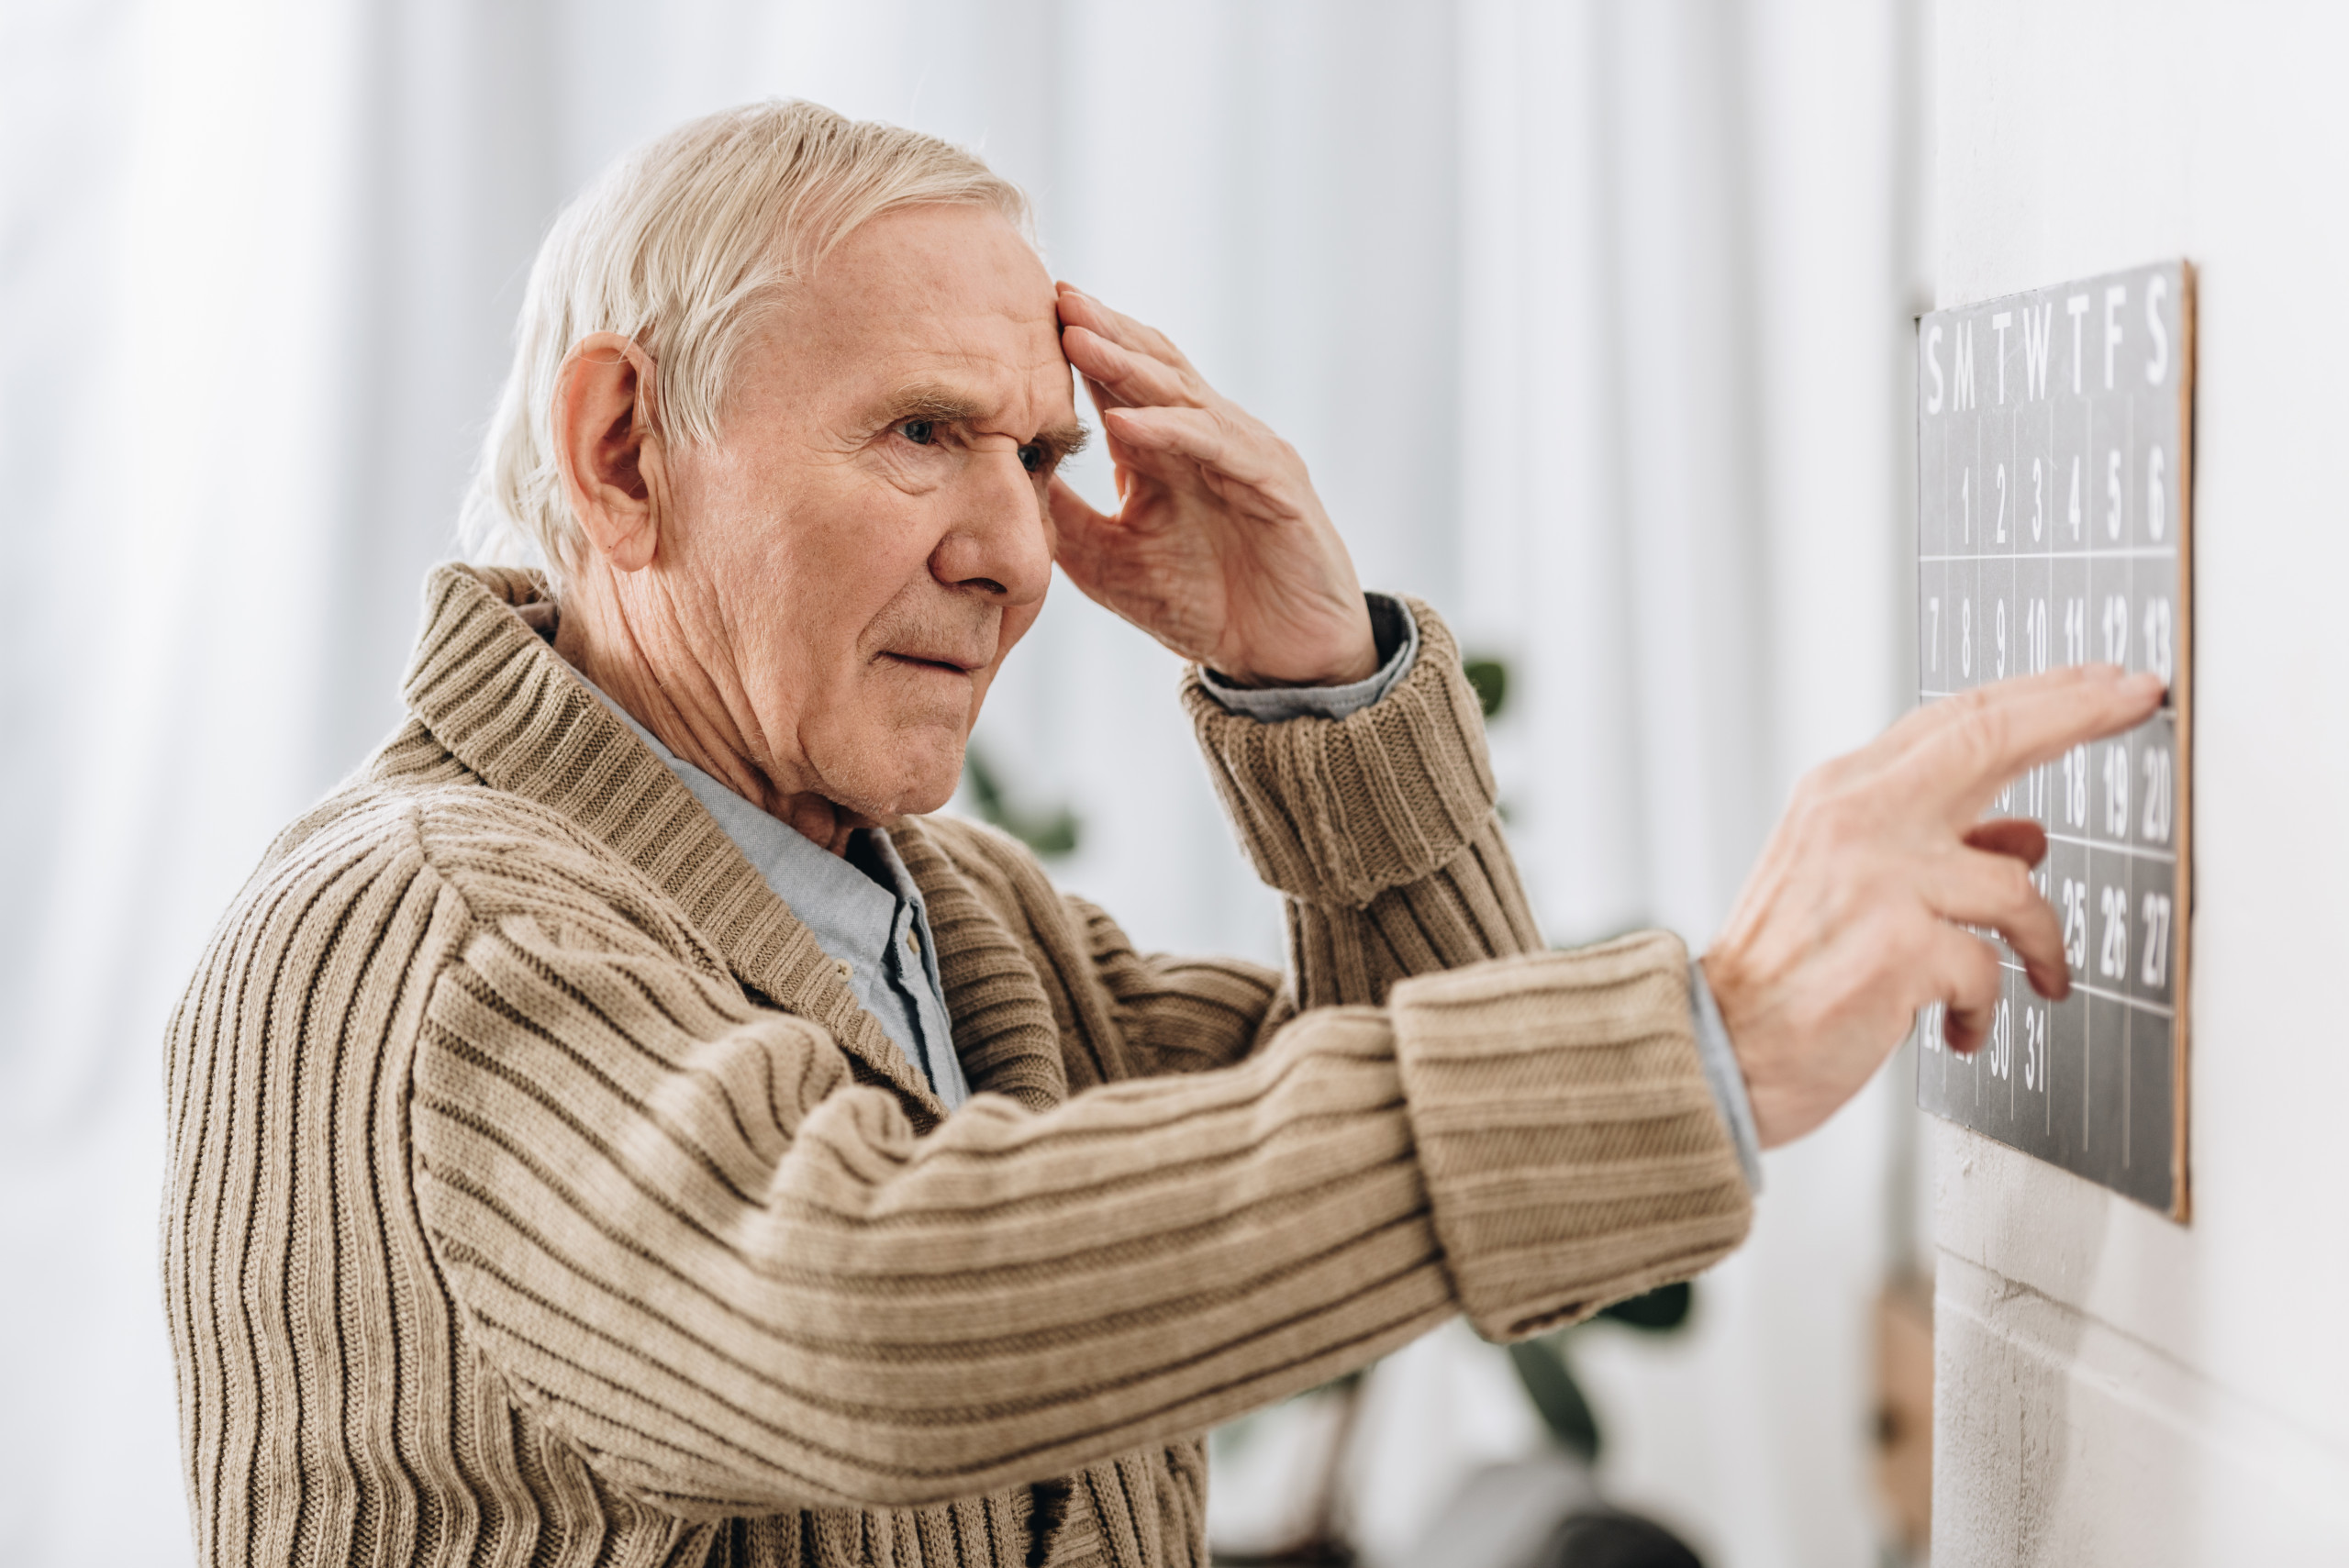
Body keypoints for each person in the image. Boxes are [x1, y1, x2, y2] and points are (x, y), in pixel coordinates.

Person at [161, 101, 2161, 1568]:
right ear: (622, 452)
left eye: (1038, 452)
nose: (1021, 552)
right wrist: (1709, 1033)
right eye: (922, 432)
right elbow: (856, 1301)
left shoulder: (952, 918)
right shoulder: (407, 935)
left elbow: (1498, 1222)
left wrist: (1316, 685)